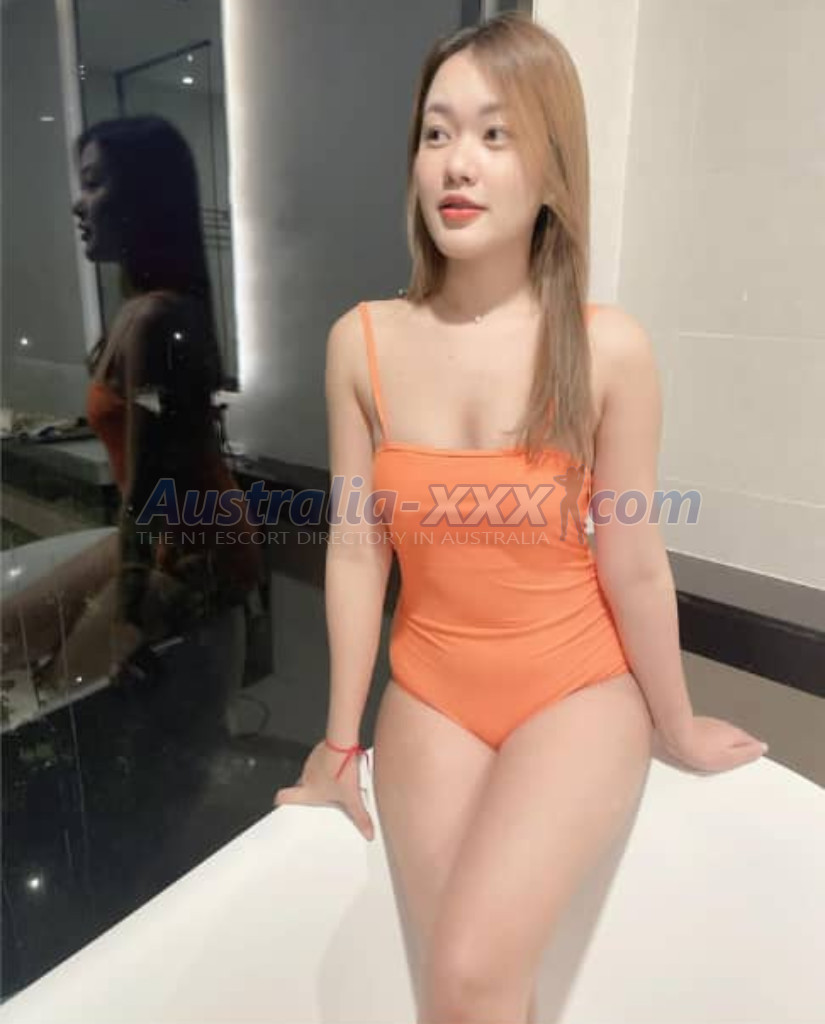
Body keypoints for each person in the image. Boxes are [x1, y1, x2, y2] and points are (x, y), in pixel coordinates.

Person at [274, 13, 768, 1023]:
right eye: (437, 132)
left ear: (551, 169)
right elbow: (359, 551)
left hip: (574, 689)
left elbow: (632, 559)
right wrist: (337, 741)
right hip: (430, 693)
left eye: (495, 135)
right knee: (462, 992)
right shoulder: (359, 342)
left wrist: (675, 721)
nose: (457, 163)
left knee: (469, 972)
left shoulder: (607, 348)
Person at [2, 115, 261, 693]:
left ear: (145, 199)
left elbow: (145, 492)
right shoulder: (138, 312)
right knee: (8, 638)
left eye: (95, 183)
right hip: (172, 533)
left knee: (63, 687)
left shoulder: (154, 319)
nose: (78, 204)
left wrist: (128, 614)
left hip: (200, 552)